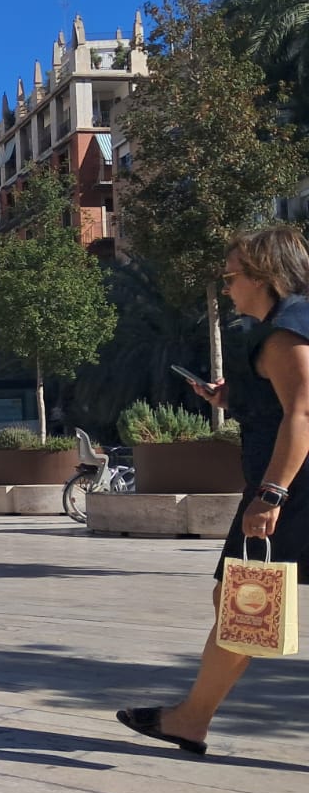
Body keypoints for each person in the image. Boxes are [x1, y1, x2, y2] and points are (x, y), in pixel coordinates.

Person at [118, 226, 309, 757]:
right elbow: (282, 403)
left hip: (292, 487)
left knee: (241, 602)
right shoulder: (289, 327)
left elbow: (303, 412)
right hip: (291, 482)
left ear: (264, 276)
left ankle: (191, 719)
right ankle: (191, 718)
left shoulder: (287, 330)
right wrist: (230, 397)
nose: (226, 288)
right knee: (239, 602)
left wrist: (271, 494)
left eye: (231, 277)